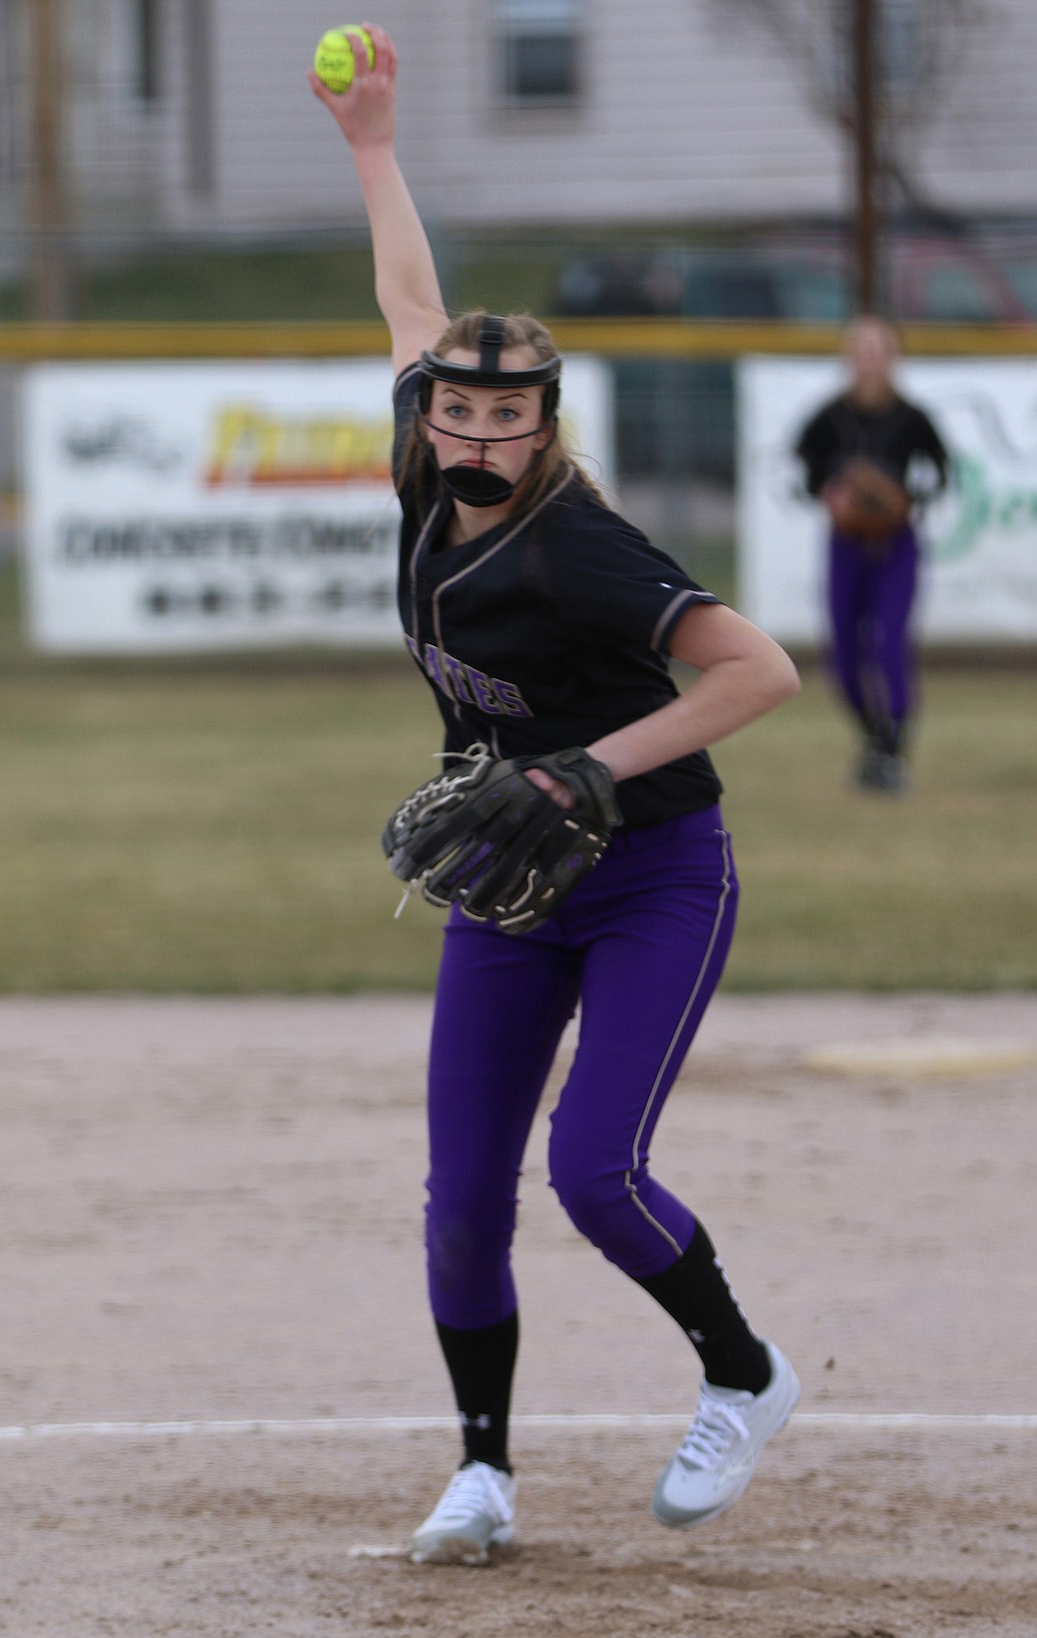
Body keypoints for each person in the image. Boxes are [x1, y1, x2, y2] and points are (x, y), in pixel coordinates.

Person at [311, 26, 802, 1566]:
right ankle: (481, 1471)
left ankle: (743, 1371)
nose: (467, 437)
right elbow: (408, 297)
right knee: (463, 1198)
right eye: (451, 414)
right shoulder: (422, 453)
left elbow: (757, 672)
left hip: (653, 872)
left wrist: (590, 762)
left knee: (593, 1168)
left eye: (499, 421)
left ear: (543, 426)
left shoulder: (577, 542)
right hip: (513, 883)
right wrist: (373, 147)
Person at [794, 316, 949, 793]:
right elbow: (807, 473)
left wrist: (905, 500)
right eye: (861, 348)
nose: (870, 358)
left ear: (893, 357)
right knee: (843, 651)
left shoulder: (912, 418)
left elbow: (939, 473)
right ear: (849, 357)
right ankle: (874, 740)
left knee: (888, 644)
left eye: (879, 348)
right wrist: (833, 495)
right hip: (846, 544)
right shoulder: (828, 418)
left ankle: (893, 751)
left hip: (895, 543)